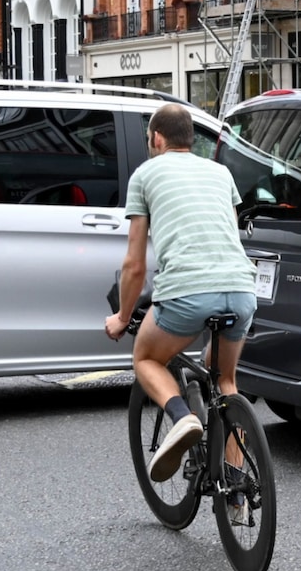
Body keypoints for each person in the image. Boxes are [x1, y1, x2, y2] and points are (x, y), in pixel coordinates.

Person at [105, 103, 257, 521]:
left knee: (146, 358)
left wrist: (122, 317)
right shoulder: (220, 173)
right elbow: (227, 236)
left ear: (156, 138)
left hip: (188, 293)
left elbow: (134, 265)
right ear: (192, 138)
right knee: (225, 378)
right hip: (241, 289)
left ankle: (182, 417)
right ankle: (237, 491)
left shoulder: (145, 175)